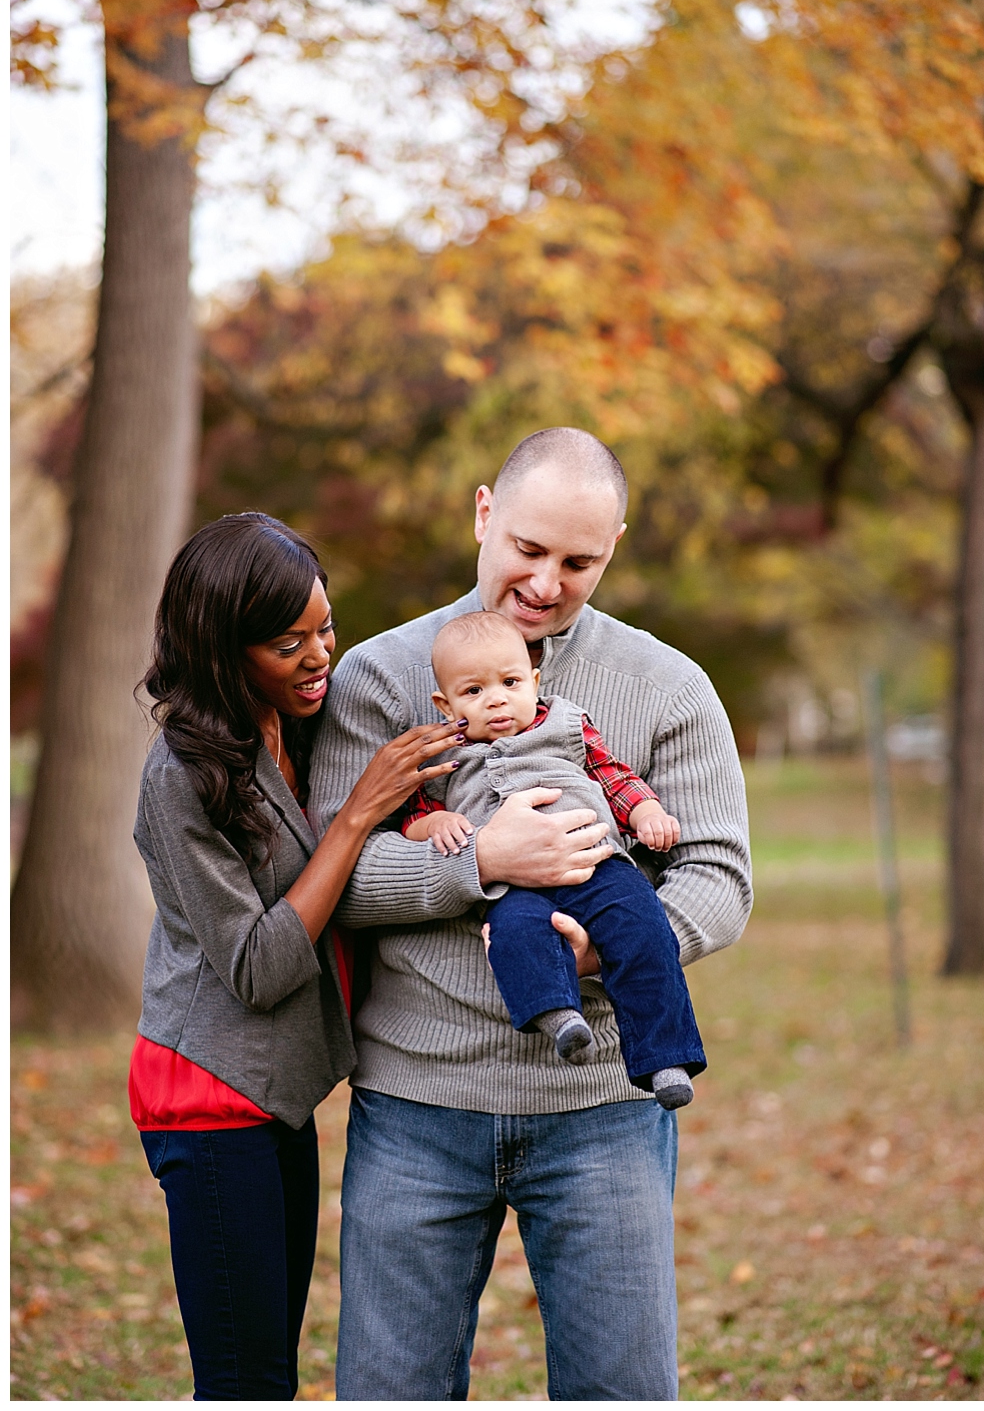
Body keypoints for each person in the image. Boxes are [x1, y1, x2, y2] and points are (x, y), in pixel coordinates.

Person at [311, 428, 753, 1401]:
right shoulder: (381, 680)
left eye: (578, 560)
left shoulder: (667, 686)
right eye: (525, 547)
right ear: (482, 515)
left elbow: (719, 873)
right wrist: (479, 866)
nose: (546, 581)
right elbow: (327, 881)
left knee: (621, 1391)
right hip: (418, 1107)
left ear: (614, 548)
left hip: (604, 1109)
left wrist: (620, 944)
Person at [127, 512, 464, 1401]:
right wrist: (358, 815)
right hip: (207, 1097)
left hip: (275, 1093)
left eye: (326, 628)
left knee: (273, 1367)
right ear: (221, 649)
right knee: (245, 1382)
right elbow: (257, 966)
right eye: (289, 642)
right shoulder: (181, 776)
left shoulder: (301, 727)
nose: (321, 657)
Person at [403, 608, 706, 1109]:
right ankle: (558, 1015)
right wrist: (435, 824)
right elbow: (415, 816)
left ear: (534, 680)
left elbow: (613, 776)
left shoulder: (566, 723)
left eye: (510, 681)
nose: (497, 699)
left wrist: (646, 811)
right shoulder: (442, 756)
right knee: (513, 933)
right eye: (474, 692)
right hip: (513, 885)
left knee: (644, 926)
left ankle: (665, 1057)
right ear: (445, 702)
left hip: (597, 863)